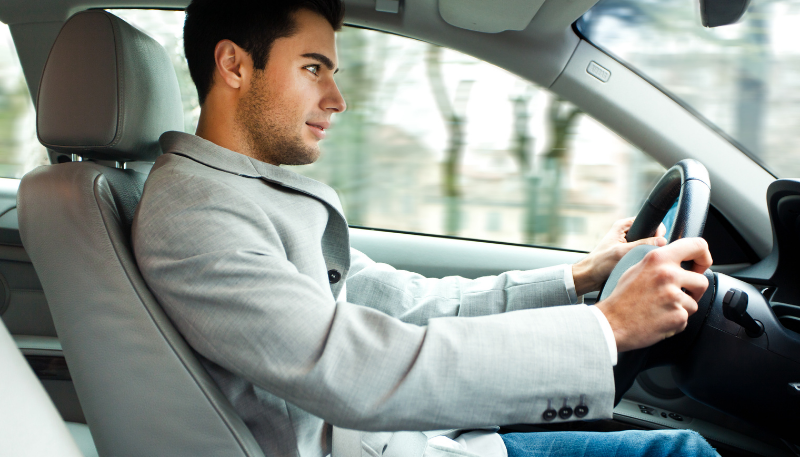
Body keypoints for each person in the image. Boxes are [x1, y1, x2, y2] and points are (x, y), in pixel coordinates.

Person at [131, 0, 719, 456]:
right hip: (373, 444)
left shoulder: (241, 194)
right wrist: (607, 328)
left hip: (393, 440)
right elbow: (352, 368)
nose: (336, 99)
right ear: (234, 64)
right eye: (313, 68)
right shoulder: (194, 214)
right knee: (679, 450)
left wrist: (577, 277)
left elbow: (401, 302)